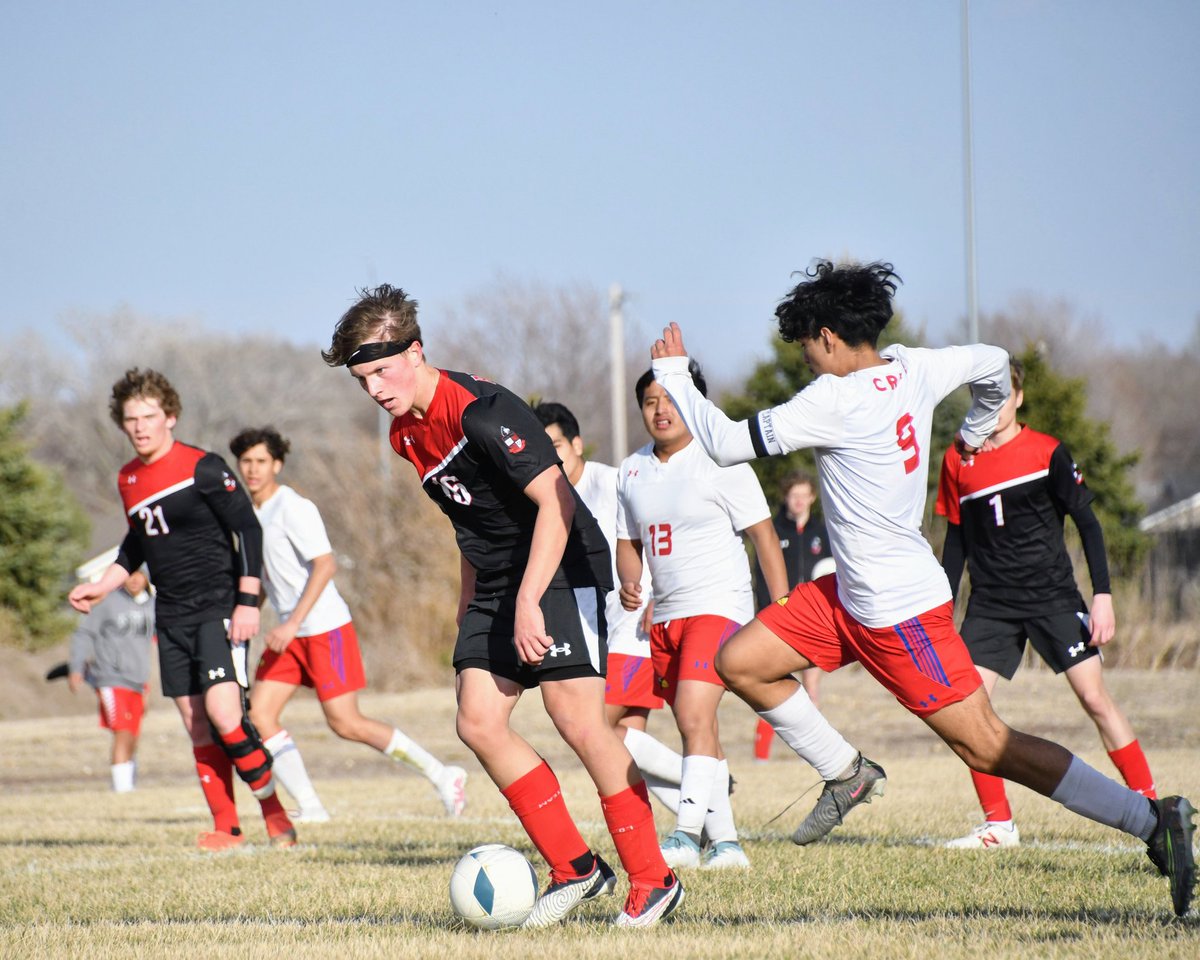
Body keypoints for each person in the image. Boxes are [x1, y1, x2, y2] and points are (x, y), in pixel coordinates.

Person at [648, 259, 1195, 919]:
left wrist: (676, 375)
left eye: (807, 350)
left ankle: (1151, 820)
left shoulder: (834, 399)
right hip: (848, 598)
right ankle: (847, 772)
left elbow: (730, 443)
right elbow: (996, 360)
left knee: (989, 744)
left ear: (827, 337)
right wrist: (975, 424)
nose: (808, 363)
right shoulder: (915, 366)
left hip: (901, 616)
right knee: (738, 662)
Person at [323, 284, 683, 928]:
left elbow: (558, 504)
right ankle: (577, 868)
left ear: (416, 350)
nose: (375, 389)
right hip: (496, 581)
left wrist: (526, 603)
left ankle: (654, 879)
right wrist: (473, 608)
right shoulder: (406, 436)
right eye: (362, 379)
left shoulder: (484, 413)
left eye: (381, 370)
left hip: (559, 565)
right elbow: (470, 525)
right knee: (479, 721)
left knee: (576, 720)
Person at [68, 368, 296, 851]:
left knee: (225, 716)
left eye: (149, 416)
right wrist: (103, 586)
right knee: (197, 725)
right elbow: (136, 544)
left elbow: (248, 531)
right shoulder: (128, 478)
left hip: (219, 607)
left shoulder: (203, 467)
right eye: (131, 419)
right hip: (170, 616)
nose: (140, 426)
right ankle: (227, 829)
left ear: (170, 417)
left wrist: (248, 602)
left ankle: (276, 816)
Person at [936, 357, 1156, 849]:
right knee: (965, 711)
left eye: (1000, 396)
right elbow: (956, 544)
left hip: (1053, 597)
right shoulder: (957, 459)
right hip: (991, 605)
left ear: (1018, 398)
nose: (990, 407)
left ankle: (1154, 810)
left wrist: (1103, 596)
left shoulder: (1048, 452)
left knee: (1095, 699)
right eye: (981, 398)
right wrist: (941, 614)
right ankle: (999, 825)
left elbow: (1089, 524)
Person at [230, 427, 468, 822]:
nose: (252, 470)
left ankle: (443, 775)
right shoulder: (250, 516)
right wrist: (246, 611)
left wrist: (292, 623)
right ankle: (311, 806)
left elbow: (326, 565)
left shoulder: (293, 507)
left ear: (277, 465)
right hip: (289, 634)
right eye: (246, 462)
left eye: (260, 461)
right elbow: (268, 577)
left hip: (324, 628)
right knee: (259, 716)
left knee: (346, 722)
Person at [615, 363, 790, 870]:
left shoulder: (723, 460)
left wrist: (780, 613)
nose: (661, 410)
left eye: (670, 399)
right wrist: (632, 582)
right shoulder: (631, 471)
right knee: (700, 729)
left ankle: (686, 837)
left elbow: (763, 538)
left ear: (692, 402)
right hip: (665, 619)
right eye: (650, 402)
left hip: (719, 607)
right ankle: (729, 844)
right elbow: (629, 546)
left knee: (693, 715)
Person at [533, 402, 685, 815]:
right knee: (619, 745)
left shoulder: (614, 482)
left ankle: (704, 774)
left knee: (590, 724)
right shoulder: (546, 497)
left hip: (634, 629)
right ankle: (703, 821)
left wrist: (659, 595)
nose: (552, 456)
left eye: (557, 445)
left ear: (577, 444)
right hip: (597, 635)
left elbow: (654, 536)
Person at [752, 472, 834, 761]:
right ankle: (761, 755)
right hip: (778, 623)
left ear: (812, 497)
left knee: (811, 688)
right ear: (786, 497)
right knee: (769, 687)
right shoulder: (773, 532)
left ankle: (815, 754)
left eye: (804, 495)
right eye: (793, 495)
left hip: (814, 622)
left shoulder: (823, 534)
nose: (799, 501)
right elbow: (760, 577)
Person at [68, 568, 155, 793]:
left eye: (139, 574)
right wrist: (76, 666)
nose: (134, 579)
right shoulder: (108, 602)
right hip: (111, 676)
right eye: (130, 574)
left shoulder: (152, 605)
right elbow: (84, 633)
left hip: (138, 679)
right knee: (122, 730)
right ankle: (121, 790)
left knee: (133, 735)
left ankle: (128, 783)